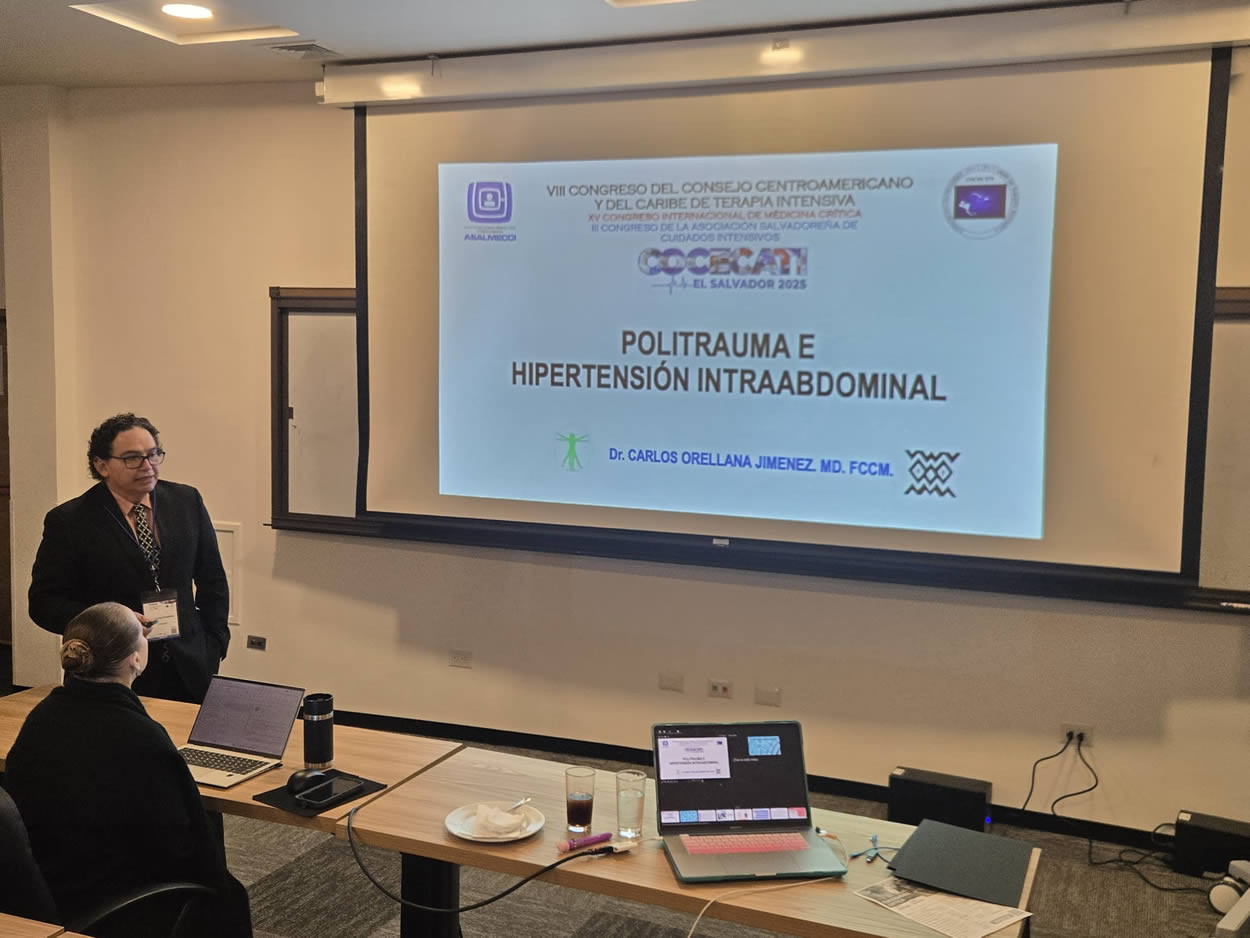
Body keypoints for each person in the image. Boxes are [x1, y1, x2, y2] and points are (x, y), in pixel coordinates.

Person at [3, 602, 253, 937]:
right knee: (228, 894)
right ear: (135, 659)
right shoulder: (142, 738)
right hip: (105, 897)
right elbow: (181, 846)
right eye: (142, 636)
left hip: (48, 880)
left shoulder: (43, 716)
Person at [29, 413, 229, 703]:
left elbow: (213, 580)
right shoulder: (70, 521)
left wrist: (216, 644)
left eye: (154, 454)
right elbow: (43, 604)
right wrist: (111, 622)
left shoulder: (187, 501)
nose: (148, 466)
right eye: (133, 458)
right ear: (102, 465)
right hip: (109, 670)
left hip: (189, 664)